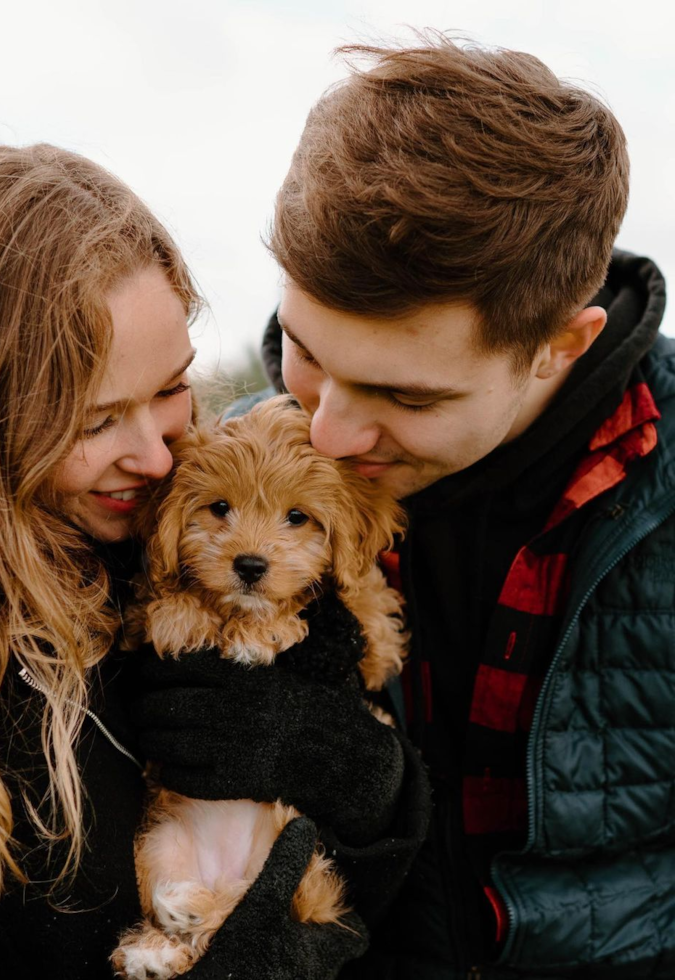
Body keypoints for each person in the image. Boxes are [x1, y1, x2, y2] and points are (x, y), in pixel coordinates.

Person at [135, 35, 675, 980]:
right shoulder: (224, 475)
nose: (331, 432)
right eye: (305, 350)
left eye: (407, 398)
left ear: (559, 345)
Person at [0, 144, 371, 979]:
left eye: (171, 388)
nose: (155, 457)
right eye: (94, 420)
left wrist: (375, 789)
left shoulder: (168, 550)